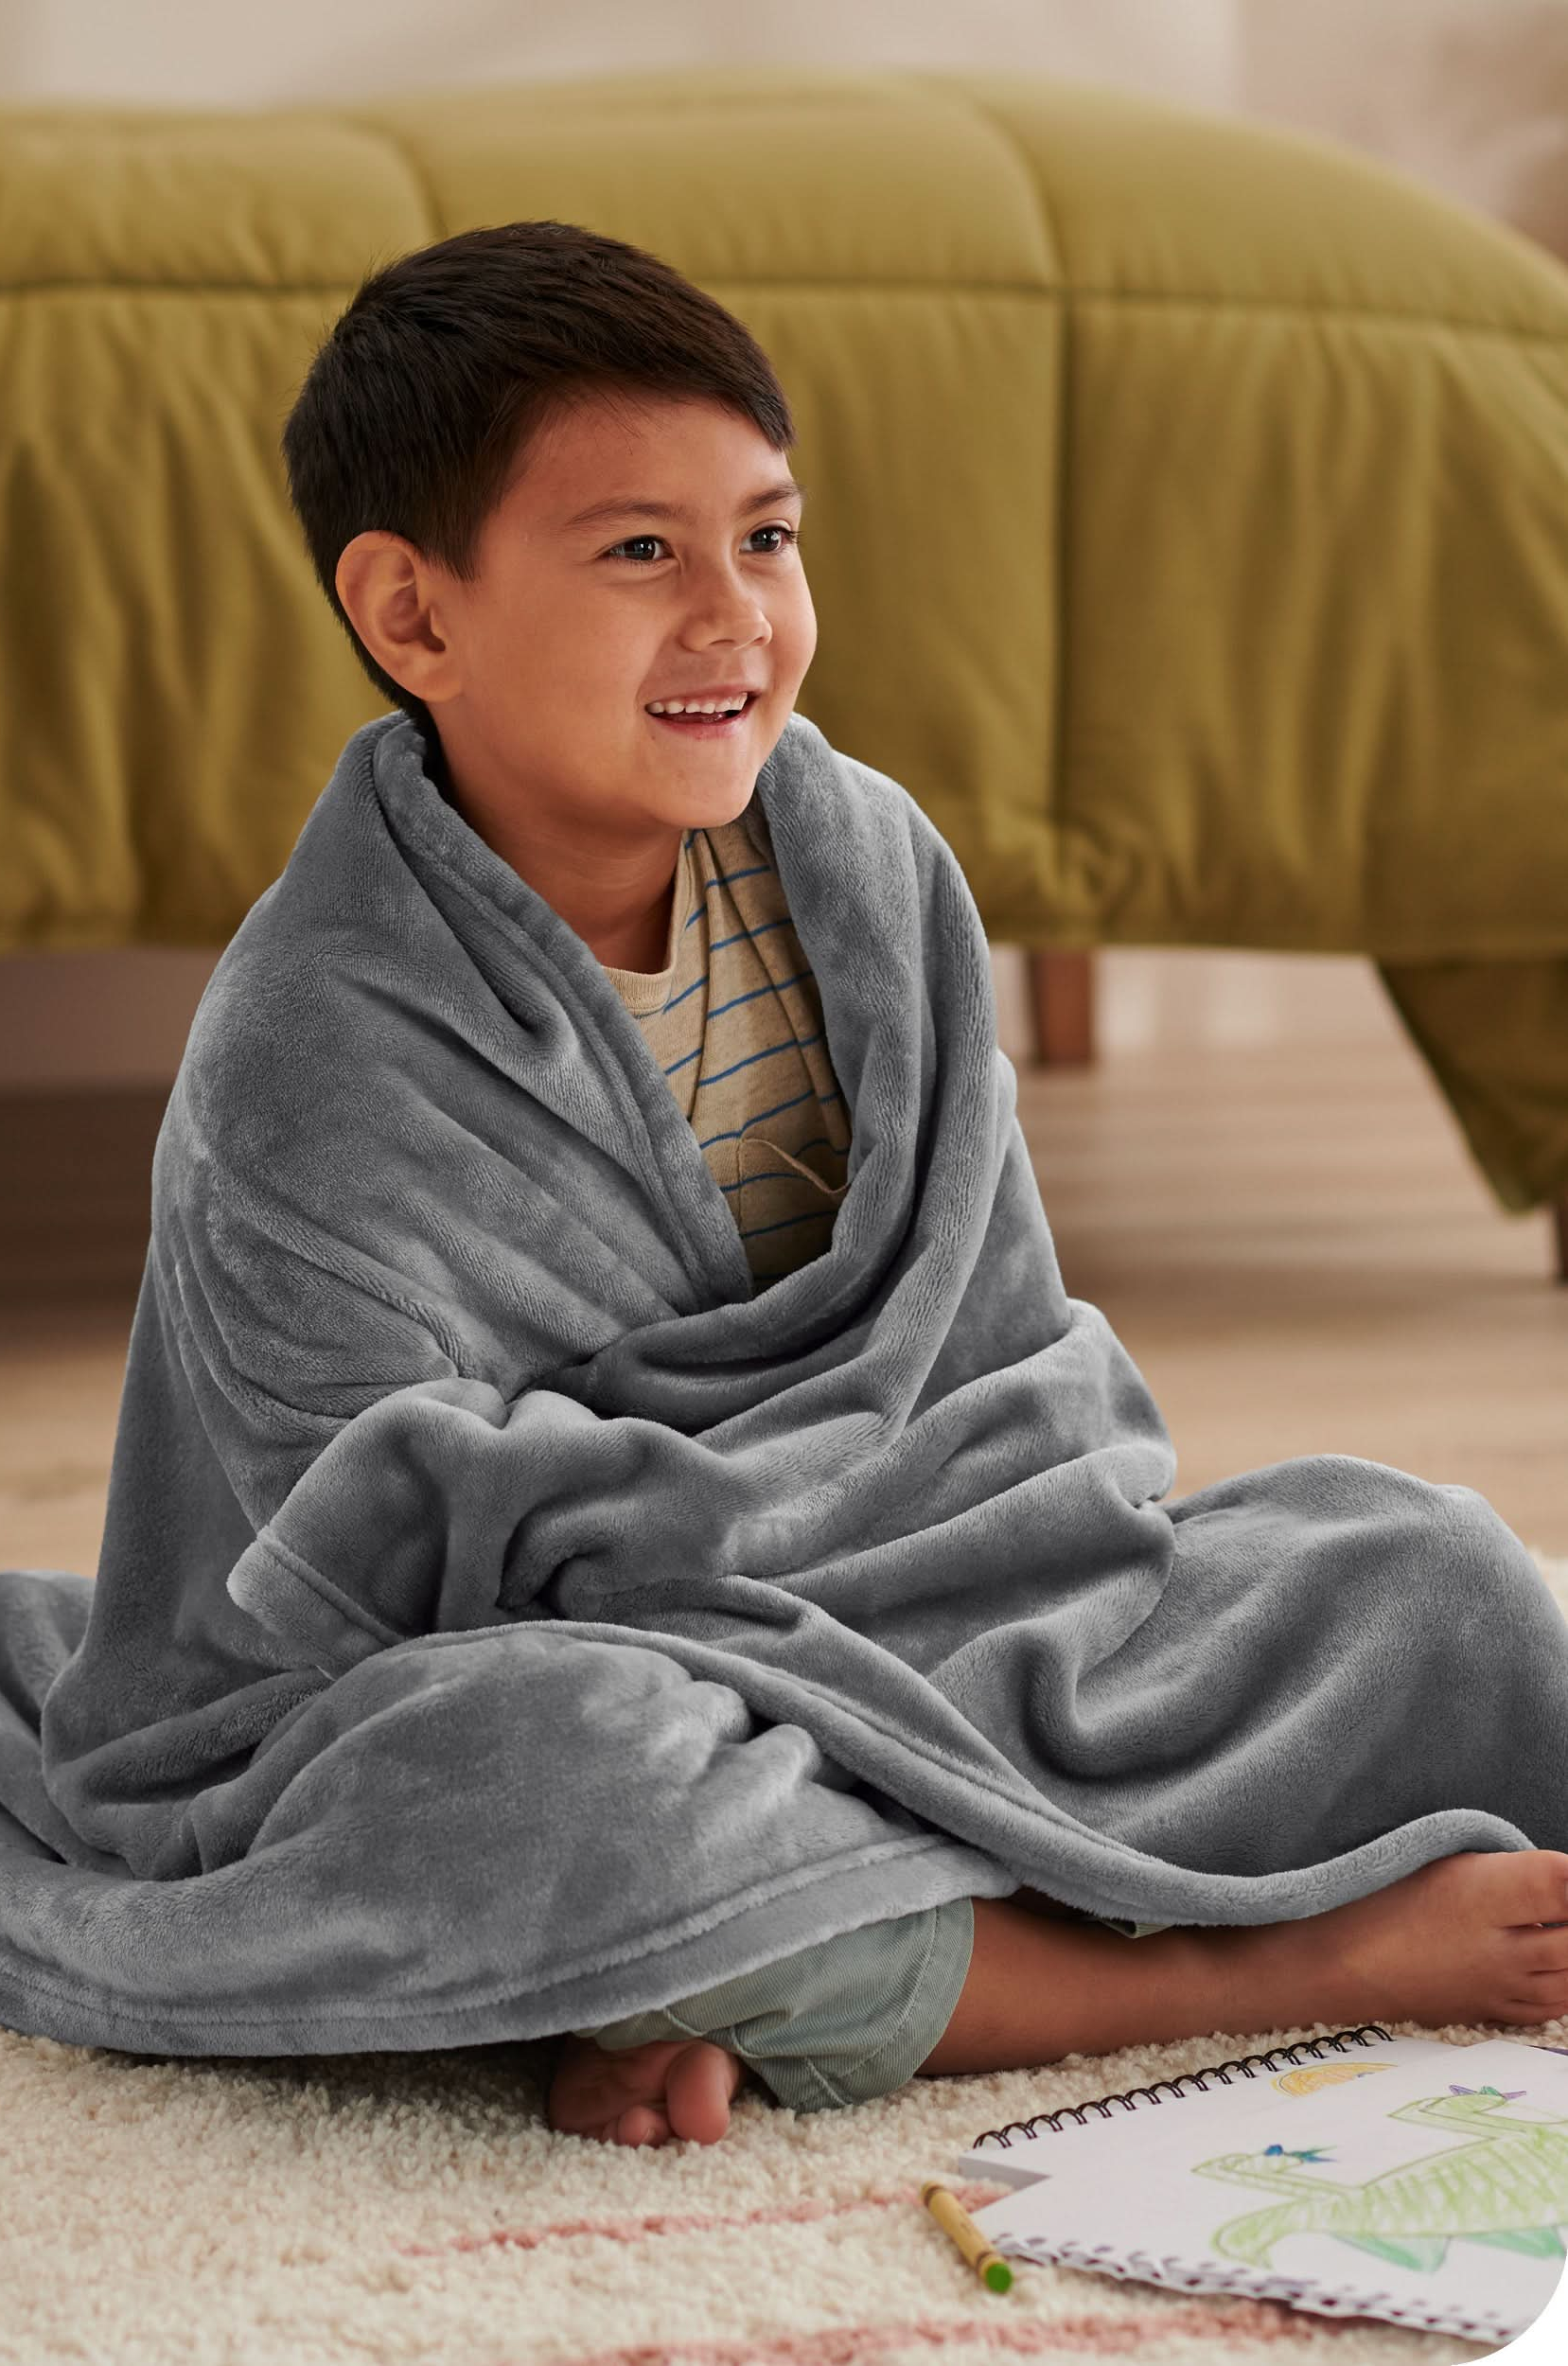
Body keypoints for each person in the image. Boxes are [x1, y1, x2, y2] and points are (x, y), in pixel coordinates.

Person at [279, 218, 1568, 2151]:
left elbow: (995, 1362)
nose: (734, 617)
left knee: (1429, 1573)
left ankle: (852, 1960)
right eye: (640, 550)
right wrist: (699, 1557)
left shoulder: (865, 863)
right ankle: (1284, 1956)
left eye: (768, 537)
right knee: (555, 1791)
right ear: (412, 615)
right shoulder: (312, 1030)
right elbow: (327, 1566)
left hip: (964, 1593)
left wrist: (903, 1558)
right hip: (614, 1651)